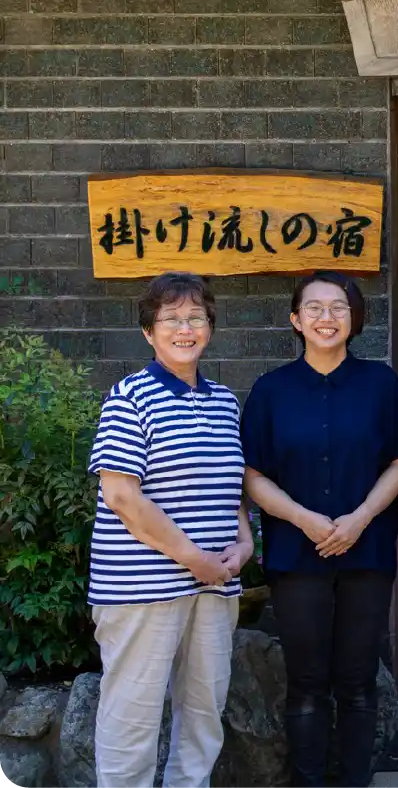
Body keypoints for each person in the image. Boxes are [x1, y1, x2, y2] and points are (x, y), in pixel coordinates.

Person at [241, 271, 398, 788]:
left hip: (366, 554)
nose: (326, 317)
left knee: (359, 679)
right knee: (307, 682)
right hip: (296, 556)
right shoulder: (271, 390)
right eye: (314, 308)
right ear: (295, 320)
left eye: (338, 307)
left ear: (354, 318)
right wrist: (304, 518)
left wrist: (361, 518)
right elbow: (252, 475)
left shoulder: (379, 384)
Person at [88, 272, 254, 788]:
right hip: (142, 590)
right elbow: (120, 495)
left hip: (214, 585)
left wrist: (245, 542)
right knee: (131, 719)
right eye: (172, 319)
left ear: (210, 326)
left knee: (204, 716)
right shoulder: (129, 397)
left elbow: (231, 489)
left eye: (196, 317)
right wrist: (193, 558)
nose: (186, 328)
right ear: (149, 332)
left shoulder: (224, 402)